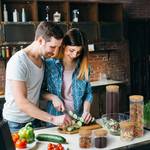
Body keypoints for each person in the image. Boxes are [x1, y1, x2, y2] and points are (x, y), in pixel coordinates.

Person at [3, 21, 71, 132]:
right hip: (15, 123)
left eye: (58, 47)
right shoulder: (18, 62)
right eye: (52, 47)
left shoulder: (43, 60)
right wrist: (53, 119)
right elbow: (22, 102)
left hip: (34, 119)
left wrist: (53, 97)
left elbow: (36, 91)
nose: (55, 52)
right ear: (40, 40)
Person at [42, 28, 93, 126]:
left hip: (77, 120)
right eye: (71, 50)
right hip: (55, 120)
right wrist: (53, 97)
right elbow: (39, 92)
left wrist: (86, 111)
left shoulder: (84, 67)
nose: (74, 55)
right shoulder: (49, 65)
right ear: (64, 46)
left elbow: (88, 93)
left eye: (79, 52)